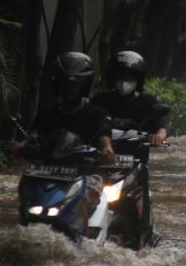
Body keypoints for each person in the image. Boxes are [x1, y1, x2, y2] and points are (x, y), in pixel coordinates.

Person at [17, 52, 114, 215]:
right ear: (58, 84)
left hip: (84, 174)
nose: (70, 89)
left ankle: (84, 230)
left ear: (84, 85)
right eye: (66, 84)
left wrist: (106, 150)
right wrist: (20, 147)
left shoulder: (97, 114)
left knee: (89, 195)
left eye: (75, 84)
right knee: (25, 187)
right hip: (46, 172)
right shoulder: (46, 114)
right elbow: (31, 138)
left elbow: (106, 142)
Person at [91, 50, 169, 245]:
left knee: (140, 188)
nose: (123, 83)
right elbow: (86, 123)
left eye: (129, 78)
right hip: (100, 164)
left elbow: (161, 127)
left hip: (133, 166)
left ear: (138, 80)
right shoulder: (100, 101)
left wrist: (158, 137)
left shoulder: (148, 102)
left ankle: (145, 235)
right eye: (119, 77)